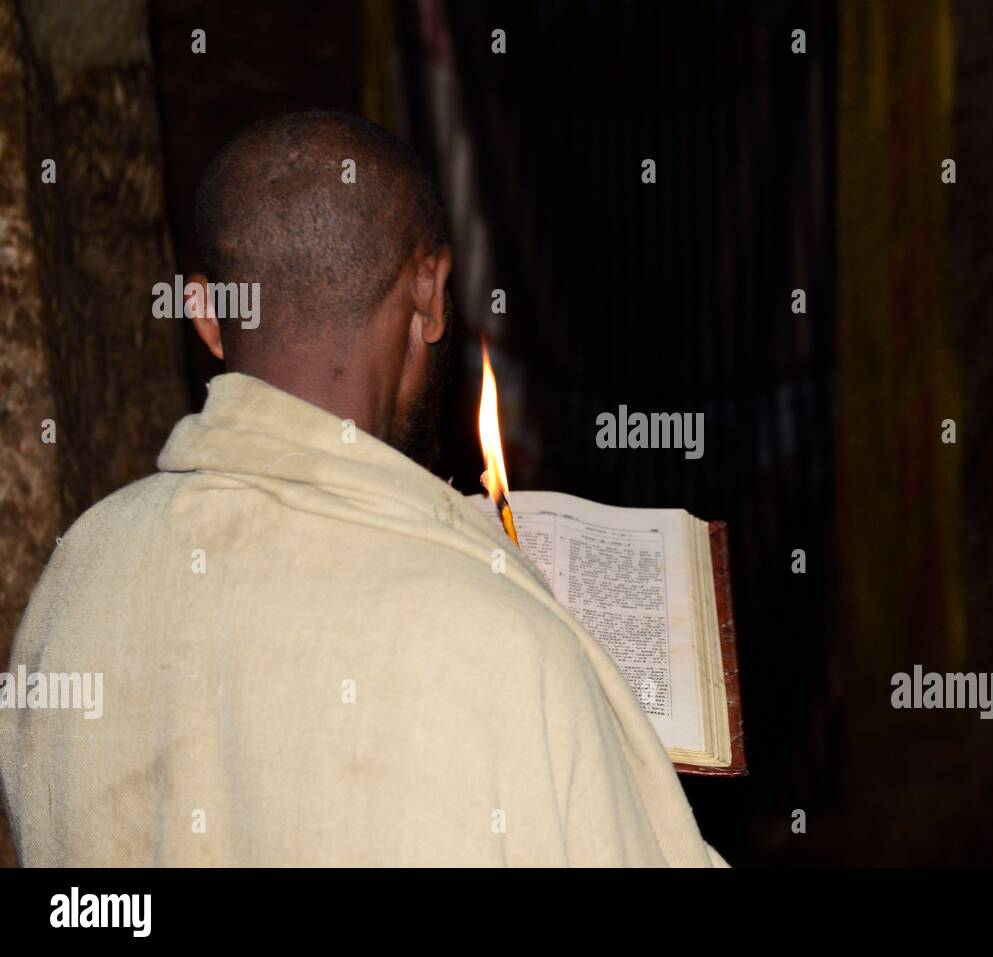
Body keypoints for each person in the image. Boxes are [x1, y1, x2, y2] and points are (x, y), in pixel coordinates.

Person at [0, 110, 726, 867]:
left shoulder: (73, 581)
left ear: (207, 313)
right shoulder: (508, 649)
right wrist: (614, 745)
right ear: (431, 293)